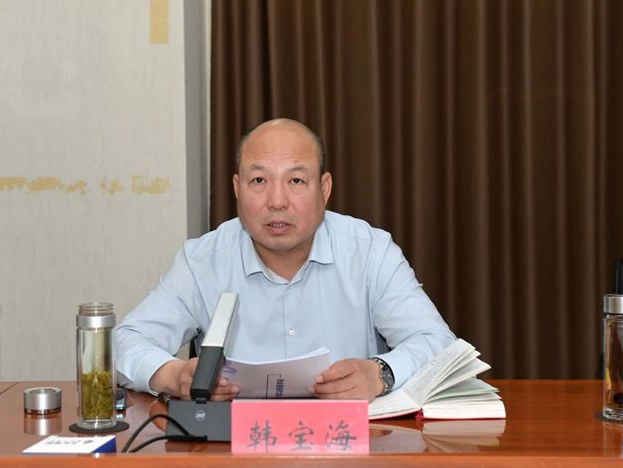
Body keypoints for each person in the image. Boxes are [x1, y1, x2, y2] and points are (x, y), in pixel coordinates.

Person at [115, 118, 454, 402]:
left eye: (296, 180)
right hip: (233, 445)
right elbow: (125, 342)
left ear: (324, 188)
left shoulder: (370, 252)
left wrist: (380, 373)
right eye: (259, 180)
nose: (277, 201)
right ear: (237, 188)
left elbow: (438, 343)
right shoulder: (202, 260)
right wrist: (173, 375)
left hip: (348, 444)